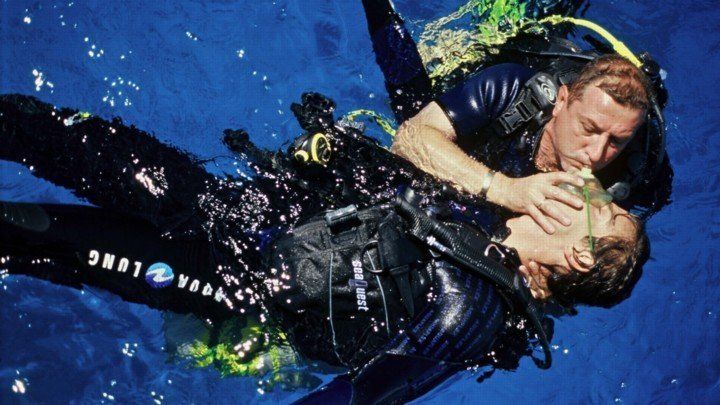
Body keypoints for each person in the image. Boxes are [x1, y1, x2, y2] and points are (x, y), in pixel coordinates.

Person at [0, 93, 648, 403]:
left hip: (229, 280)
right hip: (226, 204)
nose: (597, 184)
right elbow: (411, 135)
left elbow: (358, 399)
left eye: (608, 211)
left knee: (31, 232)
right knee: (49, 132)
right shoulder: (491, 202)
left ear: (578, 256)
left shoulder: (471, 316)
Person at [360, 0, 673, 235]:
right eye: (589, 128)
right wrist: (505, 190)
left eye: (616, 140)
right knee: (412, 105)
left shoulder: (636, 170)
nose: (596, 154)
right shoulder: (509, 88)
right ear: (562, 101)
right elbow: (410, 137)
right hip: (487, 105)